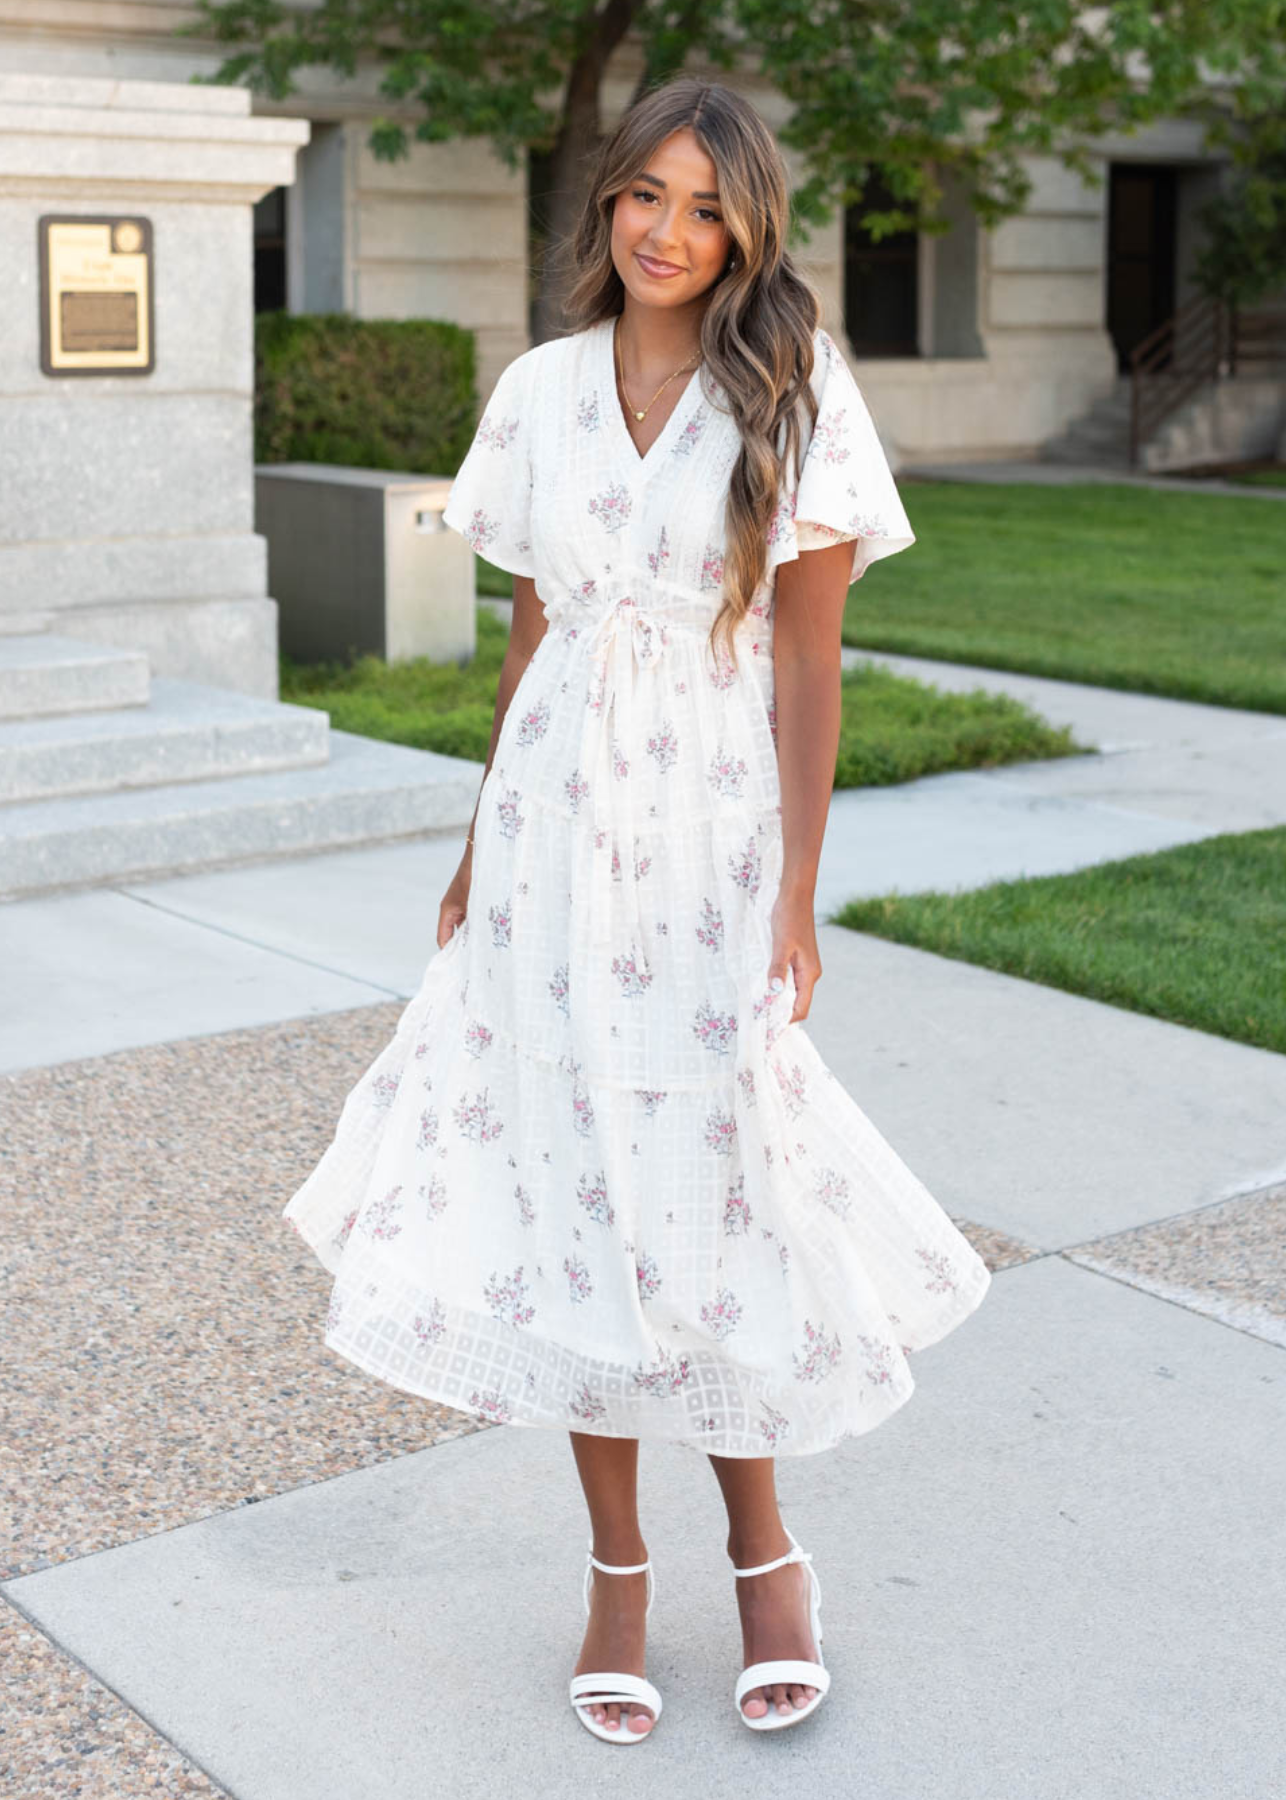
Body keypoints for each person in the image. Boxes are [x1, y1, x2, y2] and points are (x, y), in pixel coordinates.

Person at [282, 75, 991, 1744]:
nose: (669, 233)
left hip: (707, 837)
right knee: (563, 1191)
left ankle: (763, 1555)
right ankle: (614, 1571)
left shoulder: (794, 395)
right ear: (604, 206)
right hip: (546, 835)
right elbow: (533, 634)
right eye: (643, 198)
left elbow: (811, 664)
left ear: (748, 229)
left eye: (705, 207)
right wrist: (477, 842)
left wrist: (797, 893)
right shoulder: (536, 391)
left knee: (715, 1182)